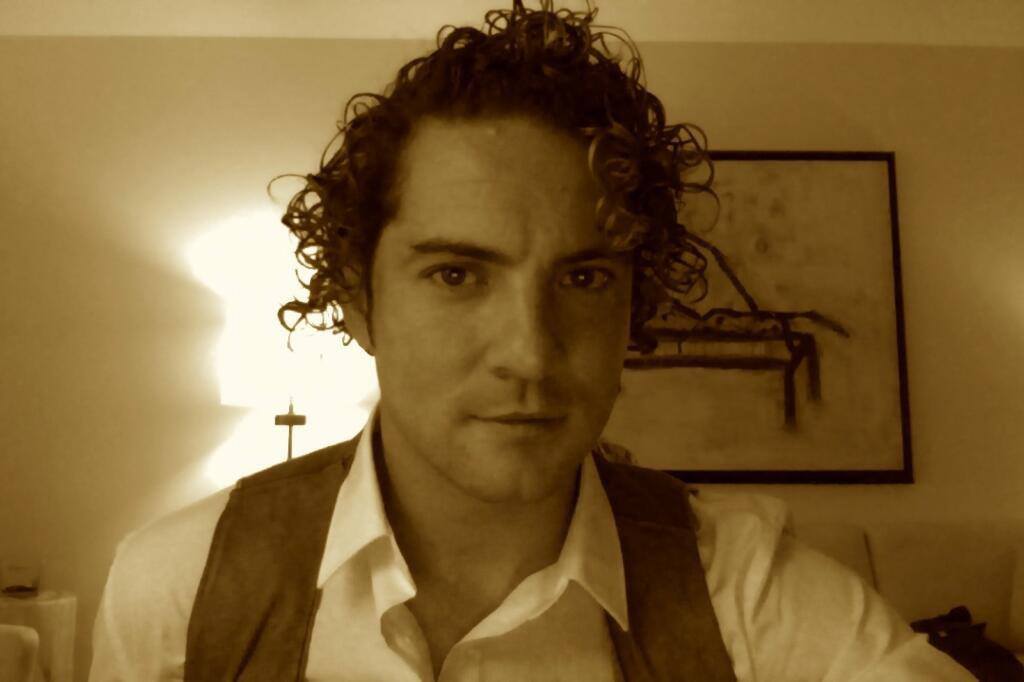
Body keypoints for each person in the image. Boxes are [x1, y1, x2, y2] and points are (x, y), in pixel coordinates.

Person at [90, 1, 975, 680]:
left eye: (584, 279)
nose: (531, 353)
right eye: (457, 274)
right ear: (359, 302)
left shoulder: (741, 589)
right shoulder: (182, 584)